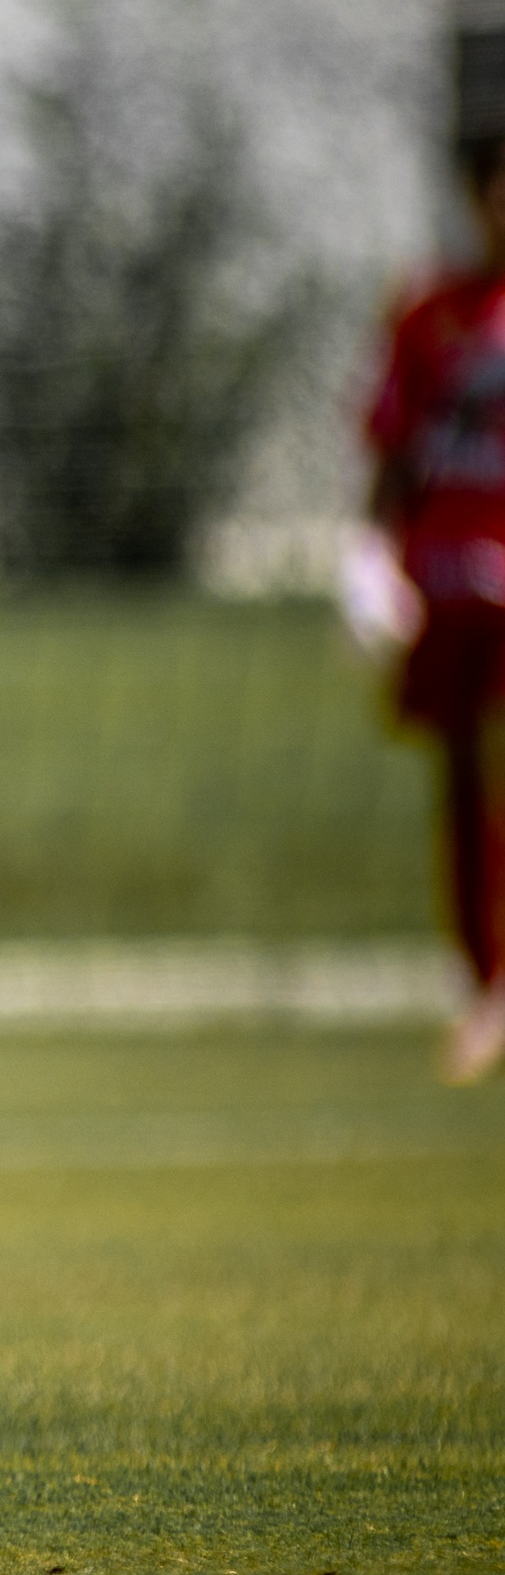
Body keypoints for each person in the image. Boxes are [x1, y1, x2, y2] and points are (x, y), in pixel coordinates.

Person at [361, 132, 505, 1085]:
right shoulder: (429, 312)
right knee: (465, 782)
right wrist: (366, 562)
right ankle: (483, 980)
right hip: (452, 583)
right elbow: (392, 451)